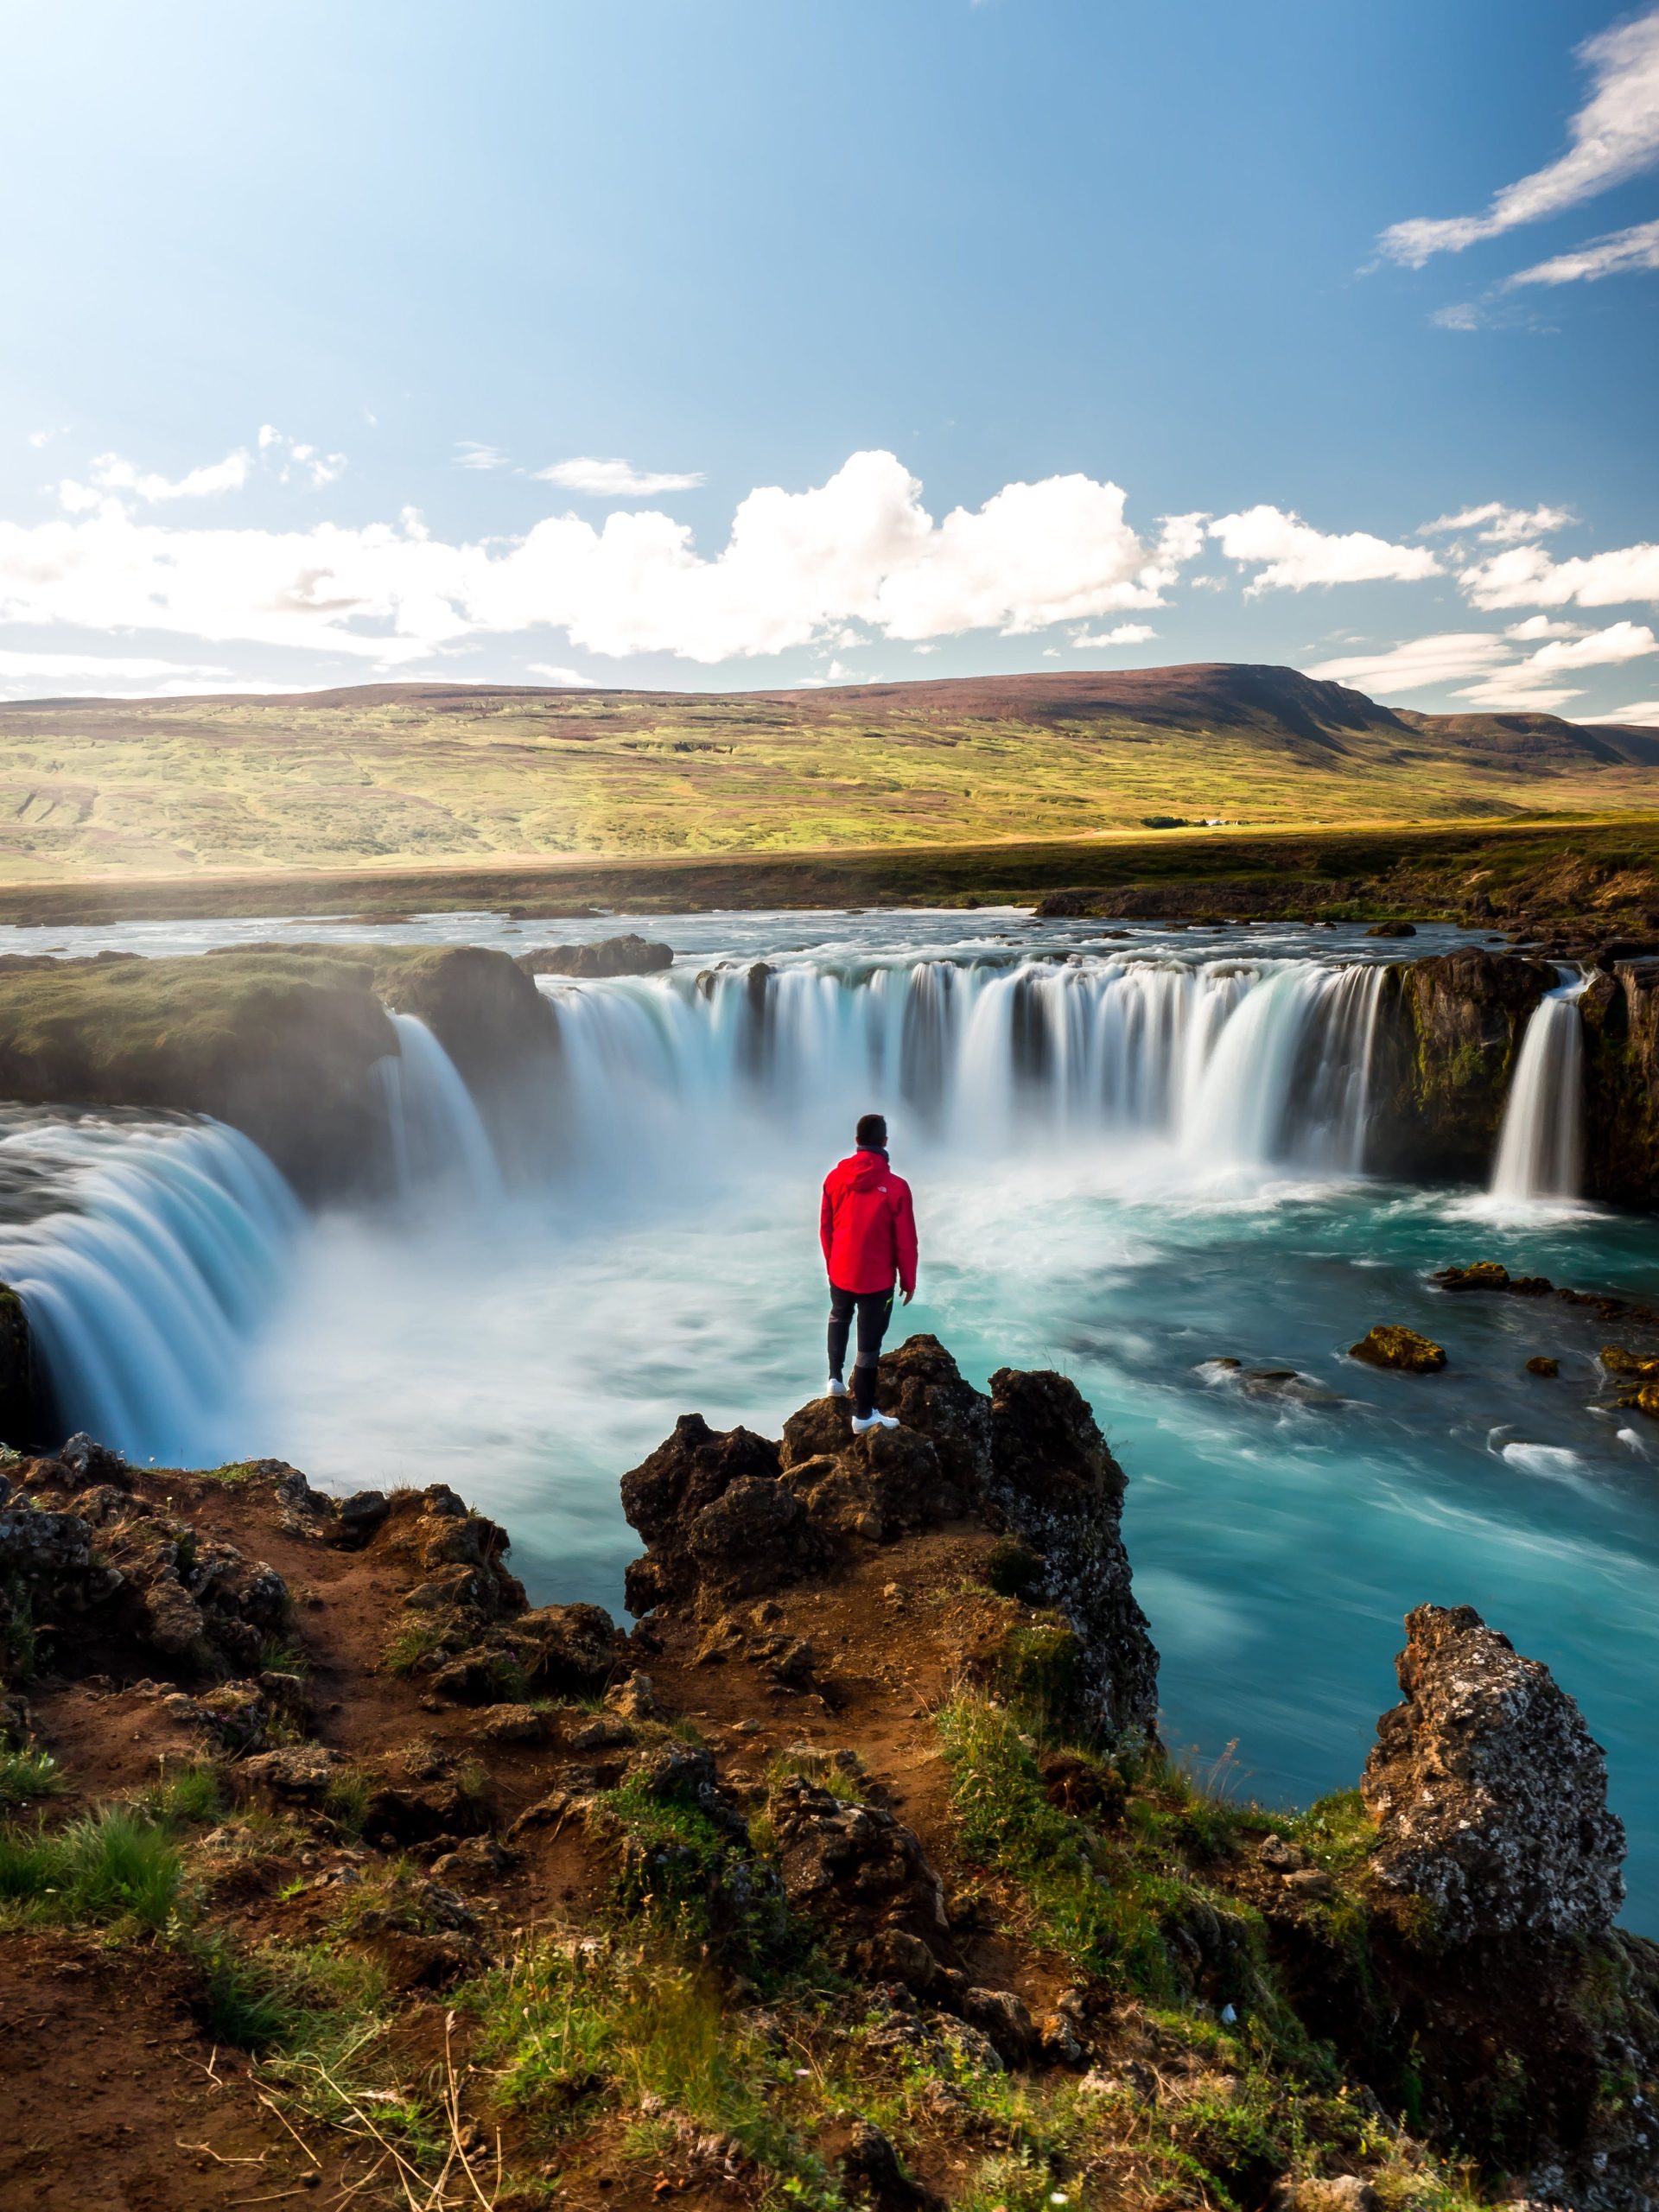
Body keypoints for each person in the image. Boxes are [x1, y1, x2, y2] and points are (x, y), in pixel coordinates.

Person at [818, 1111, 918, 1433]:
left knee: (839, 1315)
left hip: (841, 1270)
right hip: (877, 1279)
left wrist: (833, 1263)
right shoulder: (896, 1187)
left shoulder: (834, 1179)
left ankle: (834, 1379)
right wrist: (909, 1279)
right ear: (885, 1143)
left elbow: (826, 1227)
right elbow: (905, 1241)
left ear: (857, 1142)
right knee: (869, 1344)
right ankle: (863, 1414)